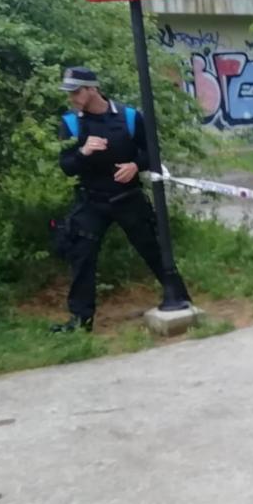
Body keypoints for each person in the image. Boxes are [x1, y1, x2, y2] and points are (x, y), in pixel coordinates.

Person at [52, 67, 191, 333]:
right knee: (81, 257)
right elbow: (66, 166)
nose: (72, 97)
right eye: (69, 92)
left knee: (153, 248)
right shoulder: (69, 123)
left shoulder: (128, 116)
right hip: (92, 201)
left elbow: (152, 153)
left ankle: (180, 298)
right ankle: (81, 322)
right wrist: (82, 151)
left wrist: (134, 165)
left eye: (76, 91)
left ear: (93, 89)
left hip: (128, 198)